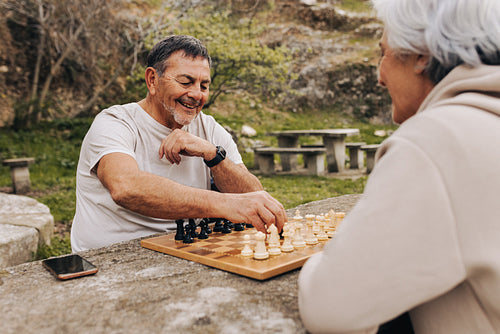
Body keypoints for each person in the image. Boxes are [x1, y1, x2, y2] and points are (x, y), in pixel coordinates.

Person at [298, 0, 500, 333]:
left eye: (384, 54)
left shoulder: (436, 139)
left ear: (421, 53)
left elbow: (330, 308)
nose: (379, 76)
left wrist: (320, 258)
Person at [71, 35, 286, 252]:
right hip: (113, 257)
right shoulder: (114, 122)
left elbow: (252, 195)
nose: (196, 94)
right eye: (185, 82)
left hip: (187, 250)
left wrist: (213, 155)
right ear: (152, 80)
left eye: (204, 85)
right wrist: (223, 204)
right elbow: (125, 187)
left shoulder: (209, 128)